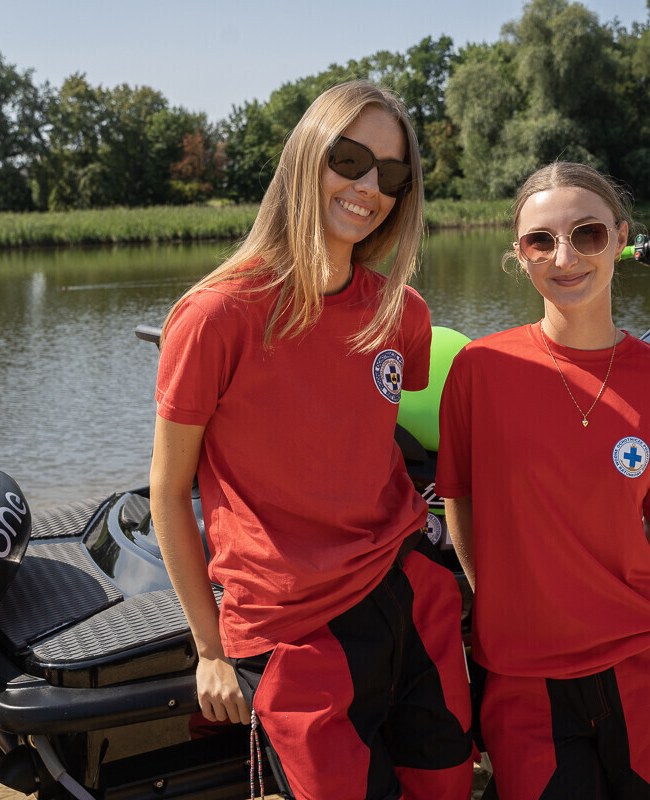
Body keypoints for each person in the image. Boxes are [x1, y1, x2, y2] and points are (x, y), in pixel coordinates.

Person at [150, 80, 474, 800]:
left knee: (449, 786)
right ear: (305, 156)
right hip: (295, 626)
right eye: (350, 158)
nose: (369, 187)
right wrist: (209, 649)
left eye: (392, 174)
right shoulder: (216, 316)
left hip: (408, 594)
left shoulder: (400, 312)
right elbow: (169, 493)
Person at [436, 162, 650, 799]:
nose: (565, 256)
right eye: (542, 240)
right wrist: (509, 597)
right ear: (520, 254)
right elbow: (461, 500)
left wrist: (603, 582)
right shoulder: (480, 371)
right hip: (522, 674)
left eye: (587, 233)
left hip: (644, 657)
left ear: (620, 238)